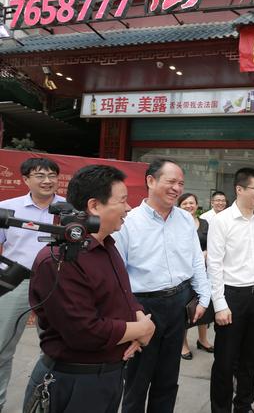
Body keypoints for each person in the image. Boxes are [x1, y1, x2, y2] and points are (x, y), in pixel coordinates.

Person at [24, 165, 156, 413]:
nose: (129, 208)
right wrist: (143, 328)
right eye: (123, 201)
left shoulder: (107, 245)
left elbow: (123, 295)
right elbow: (84, 332)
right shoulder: (59, 260)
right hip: (75, 382)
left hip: (111, 375)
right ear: (94, 205)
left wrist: (137, 318)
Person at [114, 158, 211, 413]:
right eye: (171, 181)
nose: (177, 188)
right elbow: (118, 275)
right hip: (143, 307)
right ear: (151, 180)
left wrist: (203, 296)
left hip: (179, 304)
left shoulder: (185, 219)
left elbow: (195, 260)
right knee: (137, 380)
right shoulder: (129, 221)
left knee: (168, 379)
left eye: (181, 183)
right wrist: (129, 314)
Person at [207, 167, 254, 413]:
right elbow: (214, 265)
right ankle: (221, 408)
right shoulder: (222, 221)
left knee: (251, 358)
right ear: (239, 189)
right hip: (232, 297)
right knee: (225, 361)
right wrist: (220, 304)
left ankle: (244, 406)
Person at [0, 157, 64, 413]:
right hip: (15, 283)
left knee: (56, 349)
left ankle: (46, 403)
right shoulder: (7, 208)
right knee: (2, 348)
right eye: (39, 175)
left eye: (52, 175)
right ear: (26, 179)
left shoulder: (69, 209)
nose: (47, 180)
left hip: (58, 286)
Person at [178, 193, 214, 360]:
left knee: (204, 305)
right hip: (185, 272)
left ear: (197, 205)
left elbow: (213, 244)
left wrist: (205, 254)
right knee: (185, 309)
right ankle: (183, 344)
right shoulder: (177, 223)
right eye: (184, 203)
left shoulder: (205, 223)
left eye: (191, 203)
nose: (188, 206)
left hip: (204, 270)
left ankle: (203, 339)